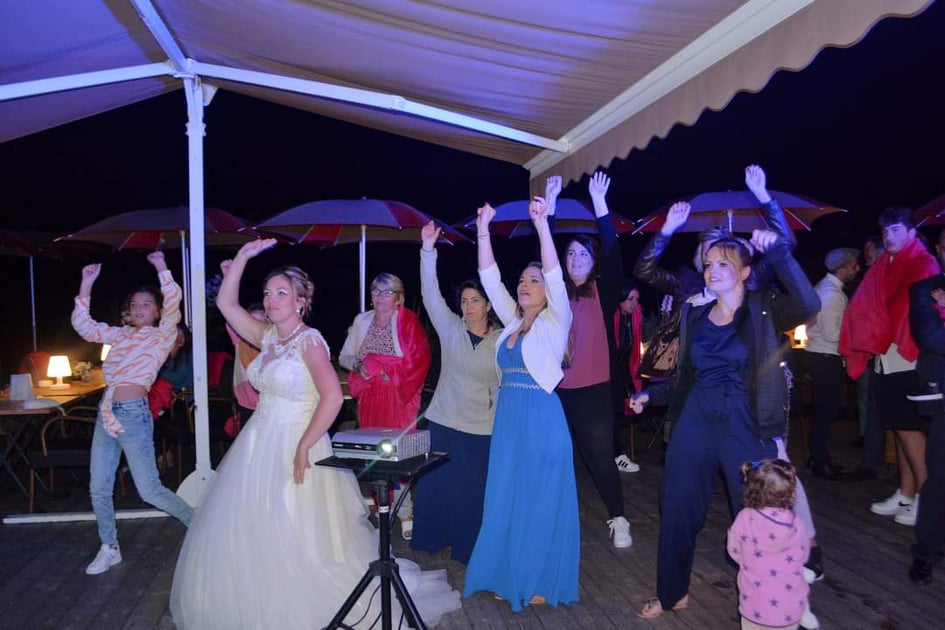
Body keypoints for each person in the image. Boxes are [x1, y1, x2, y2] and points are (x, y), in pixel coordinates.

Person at [170, 239, 459, 629]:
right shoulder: (268, 337)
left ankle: (300, 600)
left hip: (298, 440)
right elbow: (226, 304)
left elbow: (332, 397)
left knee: (295, 525)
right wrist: (242, 258)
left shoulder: (310, 341)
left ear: (301, 301)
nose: (271, 300)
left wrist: (305, 444)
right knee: (254, 525)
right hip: (257, 443)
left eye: (281, 293)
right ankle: (260, 595)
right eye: (267, 293)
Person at [629, 230, 819, 618]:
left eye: (723, 264)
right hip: (695, 423)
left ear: (745, 271)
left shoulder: (763, 308)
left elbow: (808, 303)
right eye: (708, 264)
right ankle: (672, 593)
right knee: (677, 509)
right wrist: (652, 395)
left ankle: (773, 603)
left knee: (760, 516)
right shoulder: (695, 315)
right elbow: (687, 378)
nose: (712, 270)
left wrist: (778, 252)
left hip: (746, 425)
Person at [463, 197, 579, 611]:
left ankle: (540, 578)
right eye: (523, 280)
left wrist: (542, 224)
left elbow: (555, 274)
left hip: (542, 421)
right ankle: (506, 572)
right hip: (509, 421)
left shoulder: (556, 320)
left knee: (539, 500)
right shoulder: (512, 322)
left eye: (534, 280)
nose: (525, 284)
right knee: (506, 497)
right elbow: (489, 277)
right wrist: (483, 229)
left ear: (547, 290)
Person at [71, 251, 194, 575]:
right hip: (106, 413)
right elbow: (84, 326)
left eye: (146, 304)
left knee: (149, 490)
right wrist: (87, 283)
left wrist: (161, 267)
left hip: (133, 414)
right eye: (135, 304)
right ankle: (109, 547)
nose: (139, 308)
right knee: (99, 487)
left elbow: (173, 302)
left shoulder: (163, 335)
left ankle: (198, 525)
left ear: (156, 311)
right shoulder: (120, 334)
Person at [544, 172, 632, 547]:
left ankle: (619, 518)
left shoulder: (603, 290)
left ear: (592, 261)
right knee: (552, 456)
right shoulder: (554, 292)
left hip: (594, 390)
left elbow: (613, 252)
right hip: (555, 390)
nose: (576, 259)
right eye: (571, 254)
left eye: (583, 254)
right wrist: (549, 208)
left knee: (599, 457)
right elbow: (545, 251)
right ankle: (550, 520)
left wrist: (599, 204)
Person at [840, 207, 939, 527]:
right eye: (885, 231)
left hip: (907, 354)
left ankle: (928, 498)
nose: (888, 237)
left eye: (896, 229)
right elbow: (867, 303)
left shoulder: (923, 262)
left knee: (909, 428)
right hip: (885, 353)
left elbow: (916, 312)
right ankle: (906, 493)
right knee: (897, 426)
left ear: (912, 232)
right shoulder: (885, 263)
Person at [410, 220, 502, 564]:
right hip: (444, 419)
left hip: (481, 427)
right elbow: (429, 294)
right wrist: (427, 251)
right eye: (464, 301)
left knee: (471, 489)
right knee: (436, 484)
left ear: (489, 305)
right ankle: (431, 541)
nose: (468, 306)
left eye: (475, 300)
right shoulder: (450, 328)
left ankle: (467, 548)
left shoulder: (502, 340)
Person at [338, 272, 431, 539]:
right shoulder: (362, 321)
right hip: (370, 395)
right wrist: (359, 365)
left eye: (387, 292)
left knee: (397, 452)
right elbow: (345, 356)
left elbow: (421, 358)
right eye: (376, 291)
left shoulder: (408, 321)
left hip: (399, 395)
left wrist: (390, 373)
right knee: (375, 452)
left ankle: (405, 510)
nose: (380, 296)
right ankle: (383, 506)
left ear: (398, 298)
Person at [727, 459, 812, 630]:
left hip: (755, 607)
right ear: (791, 493)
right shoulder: (796, 523)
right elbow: (804, 555)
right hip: (790, 609)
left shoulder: (745, 518)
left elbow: (734, 550)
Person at [908, 227, 945, 583]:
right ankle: (927, 551)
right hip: (942, 395)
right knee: (939, 477)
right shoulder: (924, 289)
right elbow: (932, 338)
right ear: (939, 249)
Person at [804, 247, 860, 479]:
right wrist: (857, 340)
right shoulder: (831, 294)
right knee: (825, 412)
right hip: (825, 358)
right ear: (842, 269)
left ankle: (818, 458)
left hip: (820, 356)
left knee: (823, 411)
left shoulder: (826, 288)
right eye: (854, 265)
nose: (857, 268)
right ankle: (820, 462)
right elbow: (831, 334)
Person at [613, 279, 644, 473]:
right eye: (630, 299)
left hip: (625, 372)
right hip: (610, 373)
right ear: (621, 297)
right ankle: (617, 456)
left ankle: (617, 453)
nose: (634, 303)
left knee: (632, 409)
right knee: (616, 414)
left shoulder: (633, 318)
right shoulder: (612, 317)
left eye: (637, 299)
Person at [226, 302, 266, 435]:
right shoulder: (239, 340)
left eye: (260, 322)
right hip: (245, 401)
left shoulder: (270, 345)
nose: (255, 326)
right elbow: (229, 320)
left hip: (266, 403)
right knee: (247, 439)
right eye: (252, 322)